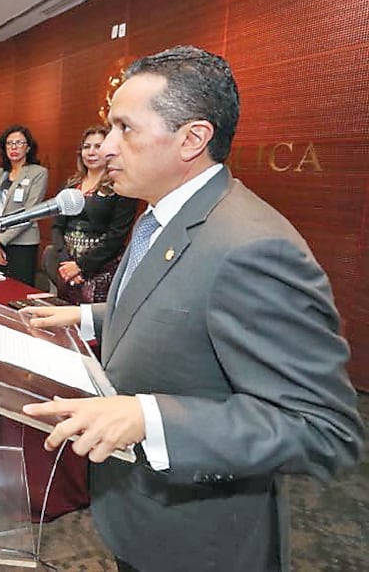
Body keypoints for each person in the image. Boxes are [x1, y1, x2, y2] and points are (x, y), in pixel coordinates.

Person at [21, 46, 364, 572]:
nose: (106, 147)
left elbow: (322, 429)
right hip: (138, 513)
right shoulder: (160, 214)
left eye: (125, 129)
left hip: (199, 544)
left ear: (192, 139)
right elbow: (178, 304)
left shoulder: (253, 247)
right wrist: (87, 317)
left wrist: (149, 418)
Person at [45, 126, 139, 305]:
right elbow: (57, 226)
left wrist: (81, 266)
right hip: (66, 269)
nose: (91, 152)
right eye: (86, 147)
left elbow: (117, 235)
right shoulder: (71, 185)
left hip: (101, 270)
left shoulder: (121, 186)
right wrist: (66, 264)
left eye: (98, 146)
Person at [0, 125, 48, 286]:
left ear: (28, 147)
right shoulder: (0, 173)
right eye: (9, 143)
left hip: (22, 245)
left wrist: (0, 240)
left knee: (17, 290)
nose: (14, 147)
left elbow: (30, 214)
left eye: (19, 143)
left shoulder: (38, 173)